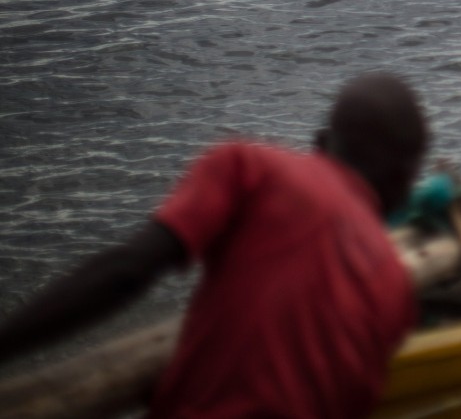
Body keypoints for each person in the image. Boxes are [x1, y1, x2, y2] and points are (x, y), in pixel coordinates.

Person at [0, 72, 430, 417]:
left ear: (320, 142)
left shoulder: (250, 168)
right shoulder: (395, 291)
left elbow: (128, 271)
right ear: (404, 180)